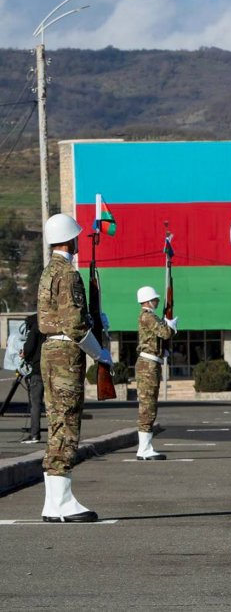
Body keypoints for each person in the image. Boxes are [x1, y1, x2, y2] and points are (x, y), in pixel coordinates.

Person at [38, 213, 111, 522]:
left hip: (51, 351)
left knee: (57, 422)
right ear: (69, 238)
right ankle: (63, 501)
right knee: (67, 423)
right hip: (67, 353)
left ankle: (53, 502)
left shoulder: (47, 272)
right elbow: (75, 325)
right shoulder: (68, 274)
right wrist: (100, 354)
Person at [133, 285, 177, 460]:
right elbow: (165, 333)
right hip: (148, 365)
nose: (157, 301)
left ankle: (145, 447)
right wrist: (172, 326)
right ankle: (144, 449)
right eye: (155, 299)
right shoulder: (148, 317)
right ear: (148, 300)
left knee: (150, 405)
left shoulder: (149, 317)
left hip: (152, 362)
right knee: (147, 407)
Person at [20, 312, 44, 444]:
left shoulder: (35, 328)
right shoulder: (52, 328)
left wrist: (25, 355)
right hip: (53, 370)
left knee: (35, 404)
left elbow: (28, 348)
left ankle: (34, 434)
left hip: (37, 371)